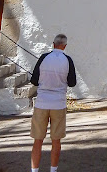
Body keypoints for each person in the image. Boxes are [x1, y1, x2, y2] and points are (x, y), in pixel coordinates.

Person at [30, 33, 77, 172]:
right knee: (56, 141)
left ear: (53, 44)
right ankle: (53, 170)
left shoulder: (44, 57)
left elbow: (34, 80)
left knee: (38, 140)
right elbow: (72, 83)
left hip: (42, 103)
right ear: (65, 46)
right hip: (58, 104)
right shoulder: (68, 60)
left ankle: (34, 170)